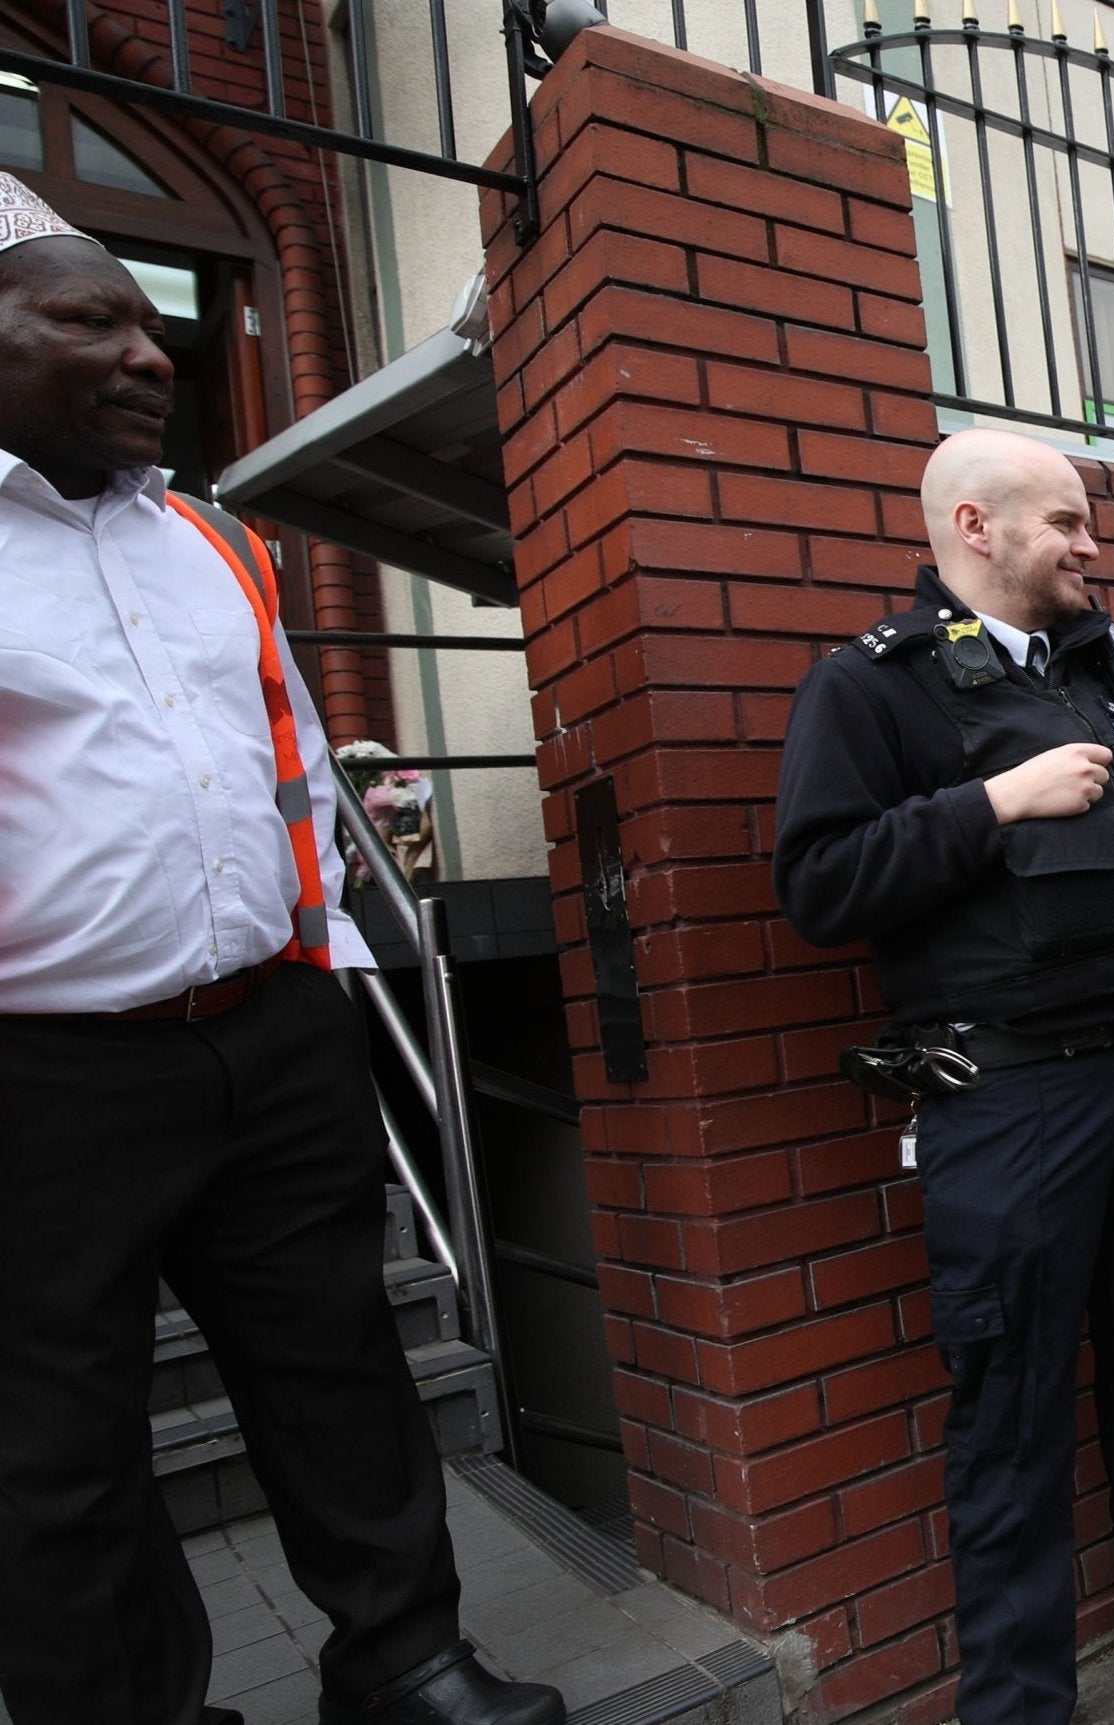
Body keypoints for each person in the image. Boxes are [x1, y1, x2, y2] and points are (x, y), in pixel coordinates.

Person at [0, 176, 562, 1725]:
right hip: (44, 1073)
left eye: (148, 321)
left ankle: (404, 1662)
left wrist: (328, 978)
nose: (148, 352)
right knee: (57, 1441)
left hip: (272, 1032)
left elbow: (294, 764)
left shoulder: (212, 541)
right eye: (89, 320)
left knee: (341, 1370)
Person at [772, 428, 1114, 1725]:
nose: (1092, 545)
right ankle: (1017, 1701)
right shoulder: (877, 687)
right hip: (1011, 1099)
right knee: (1012, 1393)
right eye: (1068, 522)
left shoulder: (1102, 671)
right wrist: (995, 803)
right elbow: (818, 883)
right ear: (976, 526)